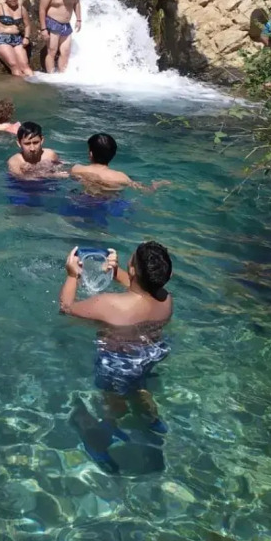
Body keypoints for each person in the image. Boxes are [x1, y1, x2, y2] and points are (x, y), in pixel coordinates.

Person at [59, 241, 173, 471]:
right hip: (148, 354)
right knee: (138, 386)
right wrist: (116, 271)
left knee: (112, 404)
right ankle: (151, 421)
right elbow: (141, 289)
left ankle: (101, 440)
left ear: (133, 270)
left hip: (117, 363)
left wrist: (72, 275)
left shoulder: (109, 304)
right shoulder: (166, 299)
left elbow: (66, 308)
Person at [70, 133, 168, 193]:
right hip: (107, 205)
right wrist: (156, 185)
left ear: (90, 154)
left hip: (83, 201)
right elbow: (146, 190)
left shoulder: (77, 169)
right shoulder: (121, 177)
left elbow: (59, 175)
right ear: (114, 155)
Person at [39, 0, 81, 74]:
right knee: (52, 51)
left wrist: (79, 19)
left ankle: (62, 75)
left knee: (65, 52)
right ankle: (51, 75)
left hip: (66, 24)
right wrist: (43, 29)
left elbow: (77, 3)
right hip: (52, 22)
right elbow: (42, 9)